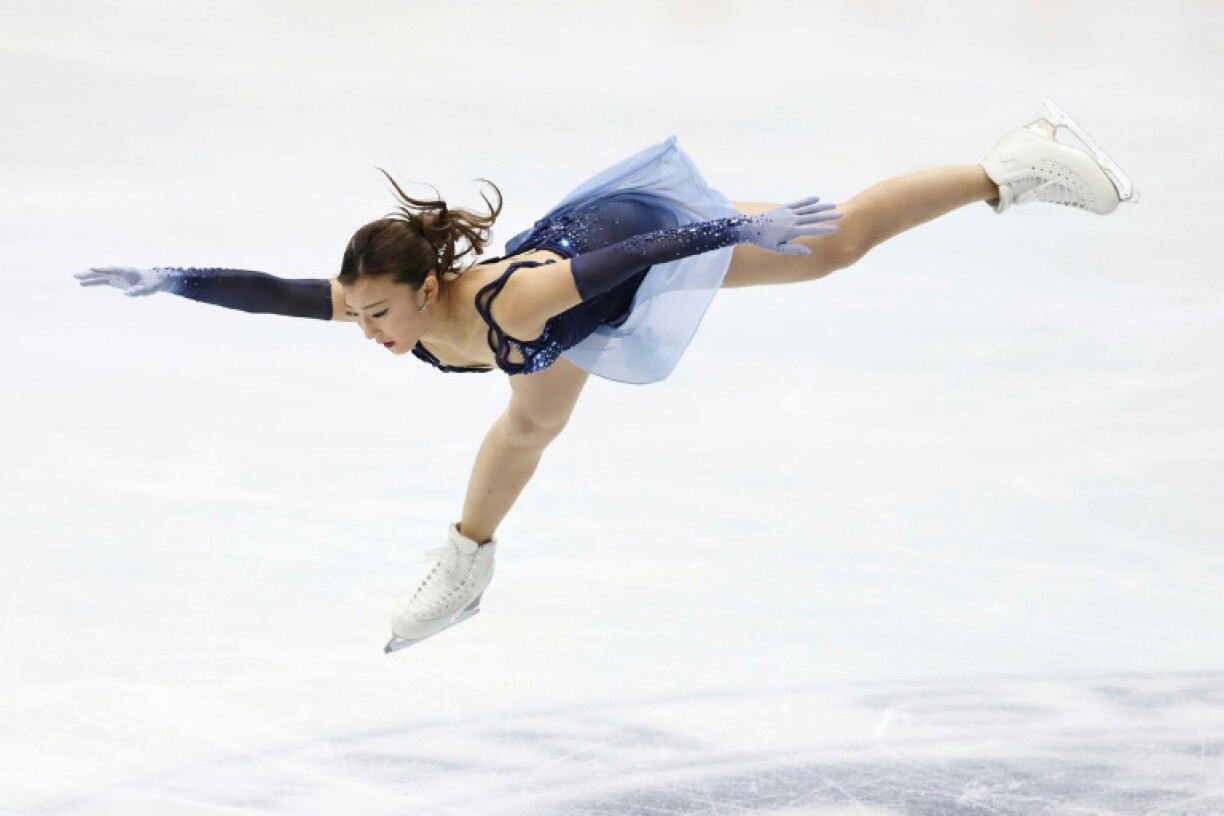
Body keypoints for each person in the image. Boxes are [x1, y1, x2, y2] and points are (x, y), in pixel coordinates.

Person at [75, 100, 1137, 653]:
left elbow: (631, 261)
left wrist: (739, 226)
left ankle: (1015, 160)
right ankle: (467, 564)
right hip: (569, 313)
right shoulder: (389, 308)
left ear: (424, 285)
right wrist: (170, 278)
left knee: (840, 244)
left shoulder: (508, 301)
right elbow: (270, 290)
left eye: (377, 315)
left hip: (628, 246)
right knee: (528, 430)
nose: (363, 331)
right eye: (356, 314)